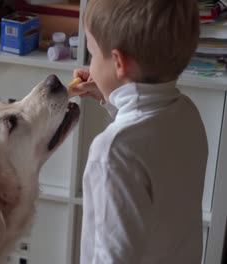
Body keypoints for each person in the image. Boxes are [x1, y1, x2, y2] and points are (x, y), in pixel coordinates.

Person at [71, 0, 208, 263]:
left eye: (92, 53)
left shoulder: (112, 152)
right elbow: (147, 138)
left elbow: (111, 256)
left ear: (118, 63)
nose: (91, 62)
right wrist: (109, 96)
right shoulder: (186, 112)